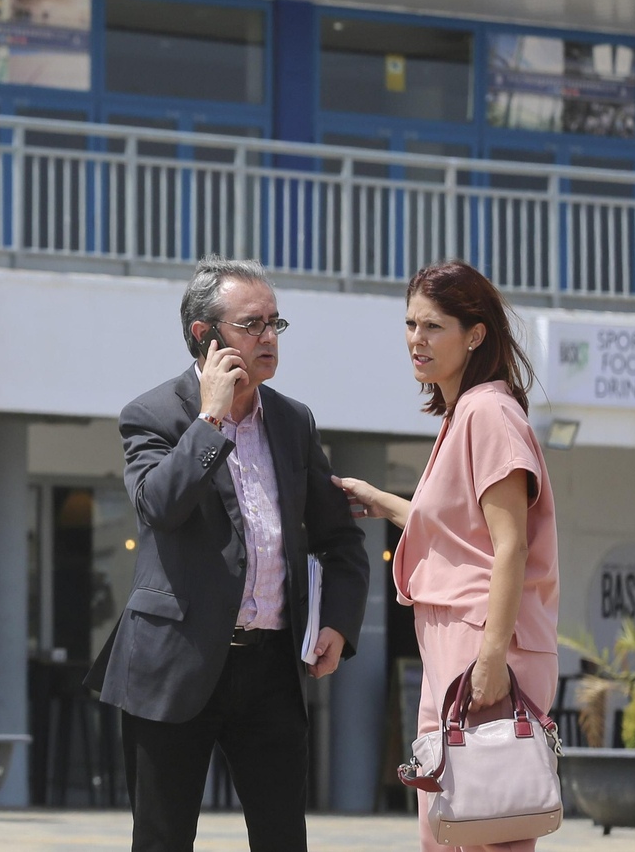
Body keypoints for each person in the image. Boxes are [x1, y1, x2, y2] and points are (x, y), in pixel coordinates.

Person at [87, 256, 371, 852]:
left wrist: (339, 625)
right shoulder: (154, 415)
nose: (269, 338)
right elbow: (159, 508)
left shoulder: (294, 422)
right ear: (204, 335)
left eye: (276, 324)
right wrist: (211, 418)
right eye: (252, 325)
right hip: (175, 664)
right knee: (162, 842)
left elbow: (339, 538)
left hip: (269, 667)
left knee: (283, 839)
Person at [337, 261, 560, 852]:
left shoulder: (489, 412)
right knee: (450, 824)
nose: (417, 339)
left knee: (487, 825)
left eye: (434, 326)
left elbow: (509, 545)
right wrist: (383, 502)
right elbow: (463, 532)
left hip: (482, 637)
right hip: (452, 638)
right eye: (411, 324)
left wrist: (490, 657)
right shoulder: (464, 413)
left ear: (475, 333)